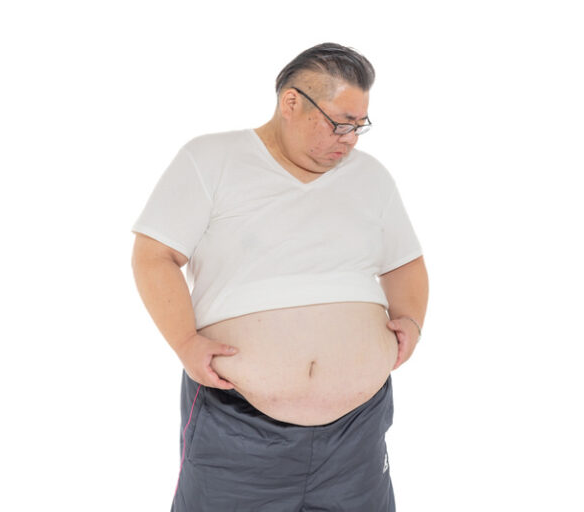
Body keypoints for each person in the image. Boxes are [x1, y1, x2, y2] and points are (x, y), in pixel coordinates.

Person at [131, 42, 429, 511]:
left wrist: (410, 319)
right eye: (340, 123)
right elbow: (154, 255)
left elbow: (404, 262)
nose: (350, 139)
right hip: (238, 424)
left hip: (357, 432)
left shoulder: (371, 177)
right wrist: (186, 342)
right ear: (291, 102)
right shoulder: (211, 159)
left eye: (359, 125)